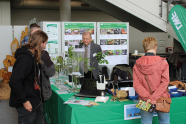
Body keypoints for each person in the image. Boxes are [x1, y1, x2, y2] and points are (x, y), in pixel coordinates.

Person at [9, 30, 48, 124]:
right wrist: (24, 101)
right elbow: (14, 81)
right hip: (27, 104)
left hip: (35, 102)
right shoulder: (26, 58)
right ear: (40, 43)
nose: (45, 47)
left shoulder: (32, 56)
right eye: (45, 43)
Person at [133, 37, 170, 124]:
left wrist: (148, 98)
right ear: (156, 47)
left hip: (144, 100)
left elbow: (136, 84)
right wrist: (153, 98)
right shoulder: (163, 62)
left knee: (145, 122)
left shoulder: (137, 63)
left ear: (144, 48)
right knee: (164, 122)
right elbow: (165, 83)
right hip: (162, 98)